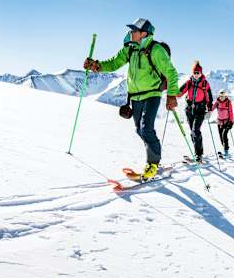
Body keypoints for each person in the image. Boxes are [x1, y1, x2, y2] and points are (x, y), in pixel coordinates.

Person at [84, 18, 179, 180]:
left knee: (146, 128)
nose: (131, 33)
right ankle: (154, 152)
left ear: (144, 34)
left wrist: (171, 95)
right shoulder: (130, 49)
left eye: (134, 30)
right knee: (139, 129)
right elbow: (114, 63)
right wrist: (96, 66)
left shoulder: (156, 50)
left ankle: (153, 163)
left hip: (152, 94)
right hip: (135, 96)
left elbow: (171, 72)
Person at [178, 61, 213, 163]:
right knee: (193, 133)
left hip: (200, 110)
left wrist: (209, 109)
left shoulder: (205, 84)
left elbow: (209, 97)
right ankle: (196, 152)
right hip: (189, 110)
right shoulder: (189, 82)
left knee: (195, 131)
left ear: (201, 73)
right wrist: (172, 93)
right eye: (195, 72)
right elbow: (179, 92)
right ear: (192, 73)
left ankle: (199, 154)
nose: (196, 74)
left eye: (198, 72)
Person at [213, 90, 234, 157]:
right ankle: (224, 149)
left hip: (226, 122)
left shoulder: (228, 102)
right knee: (221, 136)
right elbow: (212, 108)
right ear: (219, 96)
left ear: (225, 96)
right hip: (219, 122)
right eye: (221, 96)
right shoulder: (217, 102)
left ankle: (226, 150)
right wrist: (208, 109)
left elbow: (231, 112)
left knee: (224, 135)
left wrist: (231, 122)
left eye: (223, 96)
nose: (222, 97)